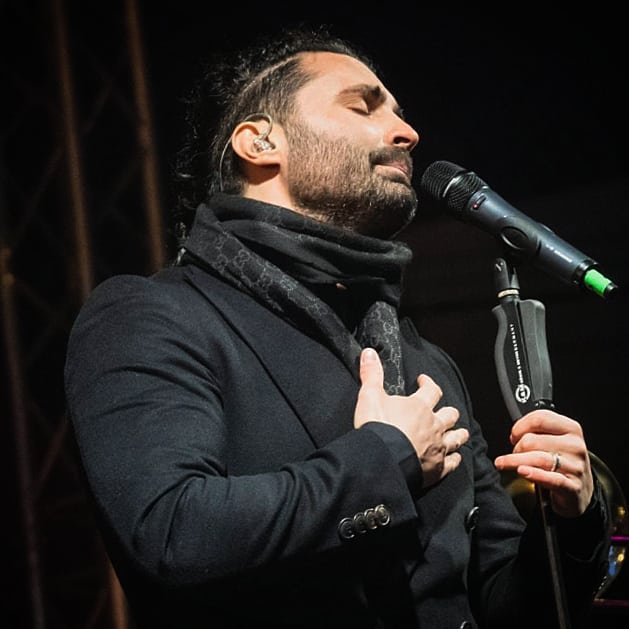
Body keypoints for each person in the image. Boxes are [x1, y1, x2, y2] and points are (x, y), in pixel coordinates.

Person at [64, 25, 611, 629]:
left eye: (399, 113)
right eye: (364, 106)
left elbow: (502, 603)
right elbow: (170, 535)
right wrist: (388, 456)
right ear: (260, 142)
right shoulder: (155, 315)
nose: (406, 132)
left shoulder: (424, 361)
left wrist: (573, 523)